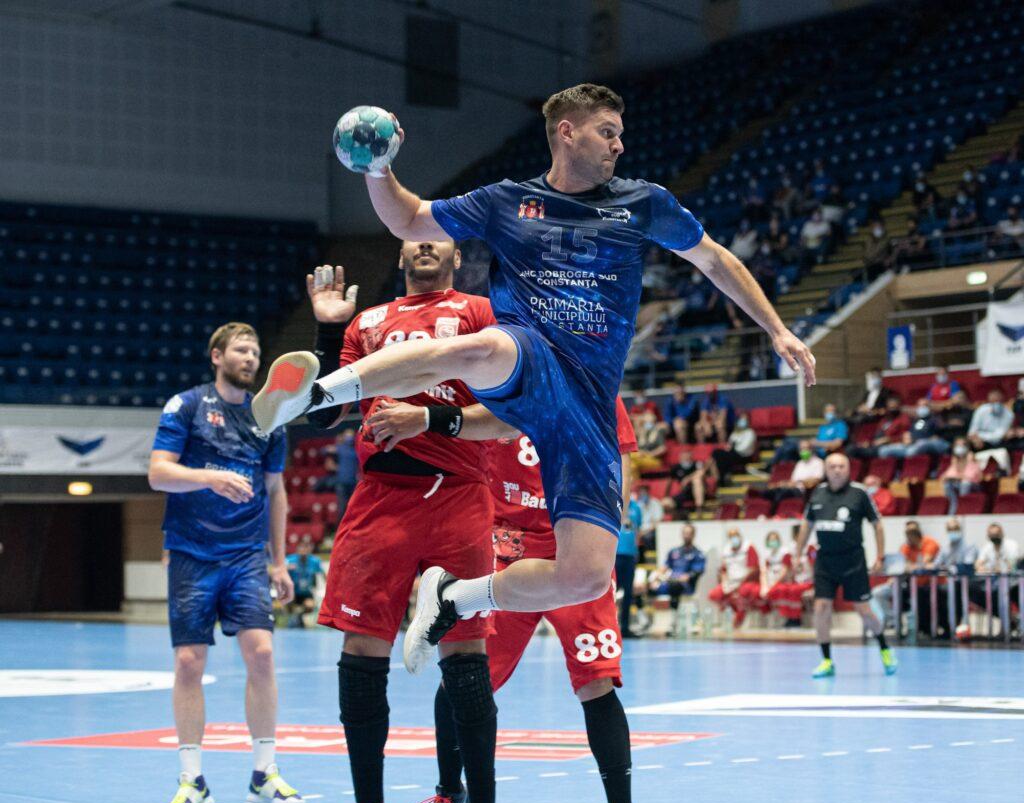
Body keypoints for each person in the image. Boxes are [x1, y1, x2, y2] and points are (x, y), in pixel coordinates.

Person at [250, 82, 816, 684]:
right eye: (608, 131)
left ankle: (455, 599)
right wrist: (378, 168)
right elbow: (409, 217)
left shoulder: (643, 202)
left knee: (585, 576)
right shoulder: (506, 202)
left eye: (620, 133)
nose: (620, 145)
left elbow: (715, 259)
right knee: (486, 347)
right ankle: (315, 394)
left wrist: (775, 329)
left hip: (589, 403)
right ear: (567, 132)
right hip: (530, 357)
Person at [303, 245, 503, 803]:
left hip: (460, 494)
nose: (424, 245)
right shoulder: (367, 323)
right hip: (380, 499)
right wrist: (326, 328)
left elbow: (506, 409)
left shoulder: (480, 313)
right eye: (414, 237)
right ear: (398, 254)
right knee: (361, 654)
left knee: (466, 657)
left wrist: (426, 420)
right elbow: (321, 413)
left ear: (455, 253)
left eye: (436, 236)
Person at [411, 398, 644, 803]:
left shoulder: (595, 380)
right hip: (503, 546)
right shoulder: (499, 372)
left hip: (574, 545)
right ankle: (449, 795)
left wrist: (610, 526)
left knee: (597, 680)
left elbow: (621, 455)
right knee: (463, 676)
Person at [148, 322, 304, 803]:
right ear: (216, 355)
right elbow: (158, 473)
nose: (250, 358)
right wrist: (209, 477)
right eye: (241, 349)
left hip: (245, 558)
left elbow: (276, 491)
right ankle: (191, 781)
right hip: (193, 554)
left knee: (261, 654)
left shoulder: (270, 419)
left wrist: (278, 560)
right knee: (189, 663)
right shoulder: (187, 406)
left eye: (256, 351)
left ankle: (264, 773)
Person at [793, 453, 896, 678]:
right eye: (832, 466)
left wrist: (879, 556)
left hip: (852, 560)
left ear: (848, 469)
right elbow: (806, 525)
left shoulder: (859, 494)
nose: (837, 470)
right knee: (821, 607)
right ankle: (827, 660)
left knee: (864, 610)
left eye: (841, 466)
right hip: (825, 560)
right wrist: (797, 555)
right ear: (826, 470)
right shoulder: (818, 493)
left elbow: (877, 525)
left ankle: (885, 648)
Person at [708, 528, 759, 628]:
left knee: (742, 593)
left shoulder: (748, 547)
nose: (734, 538)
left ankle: (739, 621)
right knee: (714, 594)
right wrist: (724, 584)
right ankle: (729, 616)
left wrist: (739, 584)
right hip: (730, 582)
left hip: (746, 581)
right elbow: (723, 570)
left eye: (736, 536)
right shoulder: (726, 550)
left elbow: (753, 569)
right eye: (731, 537)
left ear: (740, 536)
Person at [649, 524, 707, 611]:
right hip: (670, 581)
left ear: (693, 535)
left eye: (689, 533)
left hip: (686, 586)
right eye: (684, 533)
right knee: (648, 586)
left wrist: (683, 578)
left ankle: (674, 617)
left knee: (675, 586)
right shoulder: (674, 551)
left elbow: (695, 573)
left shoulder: (698, 554)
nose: (686, 536)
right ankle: (645, 616)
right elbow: (665, 567)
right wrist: (655, 578)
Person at [769, 525, 815, 627]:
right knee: (783, 589)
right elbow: (786, 566)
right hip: (795, 580)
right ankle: (788, 617)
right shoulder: (789, 550)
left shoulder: (810, 548)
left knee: (794, 590)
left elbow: (815, 564)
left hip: (808, 580)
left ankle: (795, 619)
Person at [878, 399, 949, 458]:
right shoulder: (915, 420)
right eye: (920, 406)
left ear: (929, 407)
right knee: (884, 450)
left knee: (921, 443)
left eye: (924, 406)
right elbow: (909, 433)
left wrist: (936, 436)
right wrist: (907, 437)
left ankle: (910, 459)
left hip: (930, 443)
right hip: (913, 444)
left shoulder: (934, 419)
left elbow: (941, 433)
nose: (922, 408)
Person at [617, 487, 643, 642]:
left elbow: (637, 531)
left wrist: (636, 551)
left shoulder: (636, 508)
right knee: (609, 592)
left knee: (628, 593)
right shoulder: (613, 500)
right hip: (614, 555)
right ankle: (607, 626)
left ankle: (625, 627)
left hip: (629, 555)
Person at [285, 535, 324, 628]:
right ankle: (294, 617)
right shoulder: (290, 560)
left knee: (310, 606)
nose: (304, 549)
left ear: (310, 548)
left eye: (306, 547)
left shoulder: (315, 561)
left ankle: (299, 616)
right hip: (292, 592)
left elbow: (323, 575)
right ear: (298, 548)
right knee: (287, 603)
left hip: (306, 593)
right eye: (302, 547)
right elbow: (281, 573)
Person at [711, 411, 757, 484]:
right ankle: (722, 477)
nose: (742, 421)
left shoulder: (750, 432)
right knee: (716, 453)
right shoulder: (736, 433)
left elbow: (745, 448)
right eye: (741, 418)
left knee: (720, 456)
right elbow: (729, 444)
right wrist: (730, 447)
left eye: (744, 419)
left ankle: (722, 478)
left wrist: (733, 447)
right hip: (734, 453)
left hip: (743, 456)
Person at [942, 438, 982, 514]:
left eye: (962, 445)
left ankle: (963, 507)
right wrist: (955, 466)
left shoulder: (972, 459)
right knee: (947, 485)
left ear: (967, 447)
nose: (959, 447)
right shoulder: (955, 461)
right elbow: (945, 477)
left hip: (975, 486)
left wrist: (957, 476)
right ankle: (952, 512)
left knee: (965, 483)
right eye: (957, 445)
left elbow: (970, 477)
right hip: (960, 485)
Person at [669, 448, 710, 514]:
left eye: (687, 455)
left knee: (697, 480)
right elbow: (669, 481)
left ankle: (699, 508)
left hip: (701, 491)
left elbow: (701, 472)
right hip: (685, 492)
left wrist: (687, 479)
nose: (685, 457)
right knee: (667, 503)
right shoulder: (676, 467)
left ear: (691, 456)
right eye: (683, 455)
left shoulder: (697, 464)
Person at [630, 409, 668, 476]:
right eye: (645, 420)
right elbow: (634, 421)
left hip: (654, 459)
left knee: (630, 459)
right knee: (631, 465)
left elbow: (662, 448)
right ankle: (635, 484)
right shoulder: (642, 431)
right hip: (640, 457)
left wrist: (648, 454)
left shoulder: (658, 431)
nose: (647, 423)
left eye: (648, 420)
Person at [634, 483, 663, 555]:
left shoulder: (656, 503)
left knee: (648, 537)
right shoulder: (638, 505)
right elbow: (636, 522)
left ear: (648, 493)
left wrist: (643, 532)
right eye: (641, 492)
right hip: (640, 530)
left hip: (651, 530)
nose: (642, 494)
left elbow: (657, 523)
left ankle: (650, 557)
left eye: (644, 492)